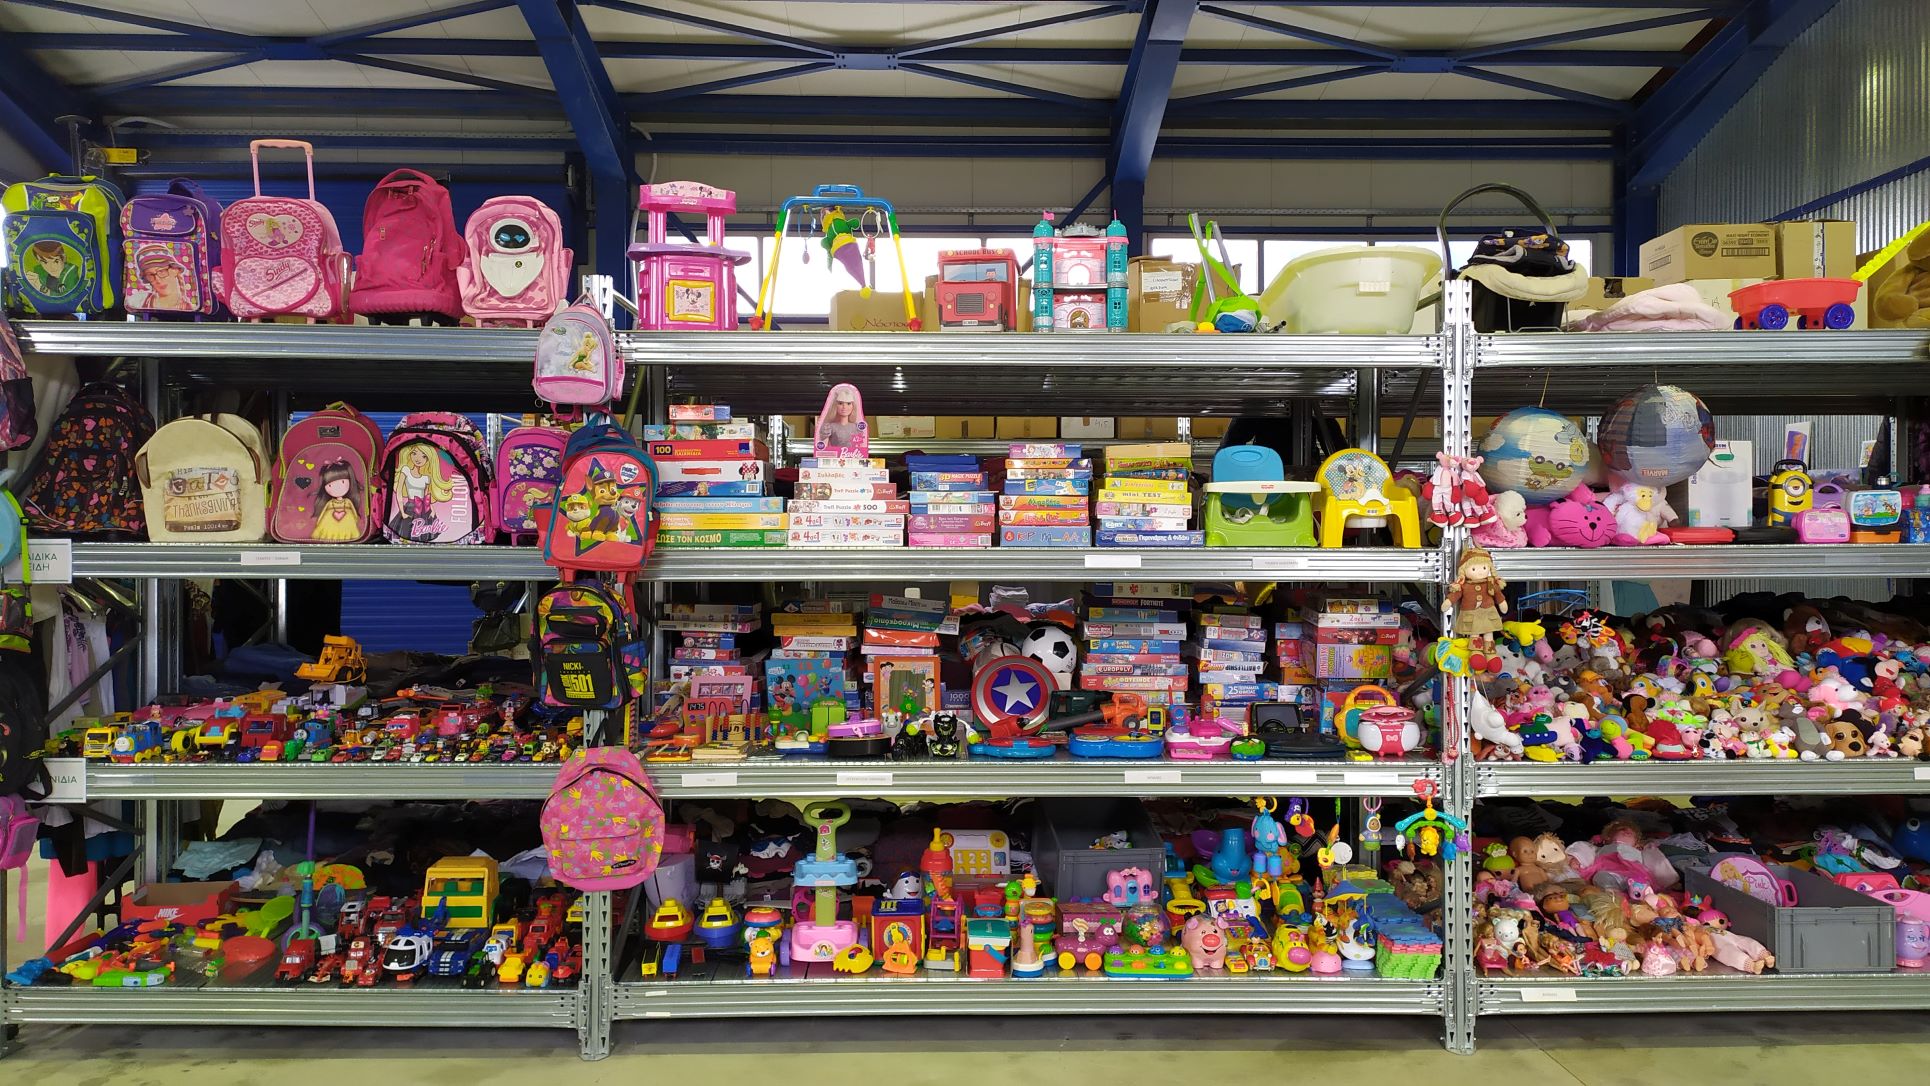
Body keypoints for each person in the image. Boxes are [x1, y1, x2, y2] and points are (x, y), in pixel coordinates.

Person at [309, 460, 362, 542]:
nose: (337, 488)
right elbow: (323, 512)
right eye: (330, 485)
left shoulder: (347, 501)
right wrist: (319, 521)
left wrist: (356, 519)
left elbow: (354, 511)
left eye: (342, 482)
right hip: (329, 519)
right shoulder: (330, 503)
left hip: (347, 520)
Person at [128, 246, 193, 311]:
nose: (158, 280)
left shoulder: (191, 306)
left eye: (162, 271)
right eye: (151, 275)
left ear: (175, 270)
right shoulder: (138, 301)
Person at [814, 383, 866, 456]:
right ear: (835, 405)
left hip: (853, 457)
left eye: (848, 403)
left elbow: (861, 447)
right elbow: (823, 446)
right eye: (840, 403)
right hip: (834, 458)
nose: (844, 407)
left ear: (853, 406)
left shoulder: (856, 427)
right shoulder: (830, 427)